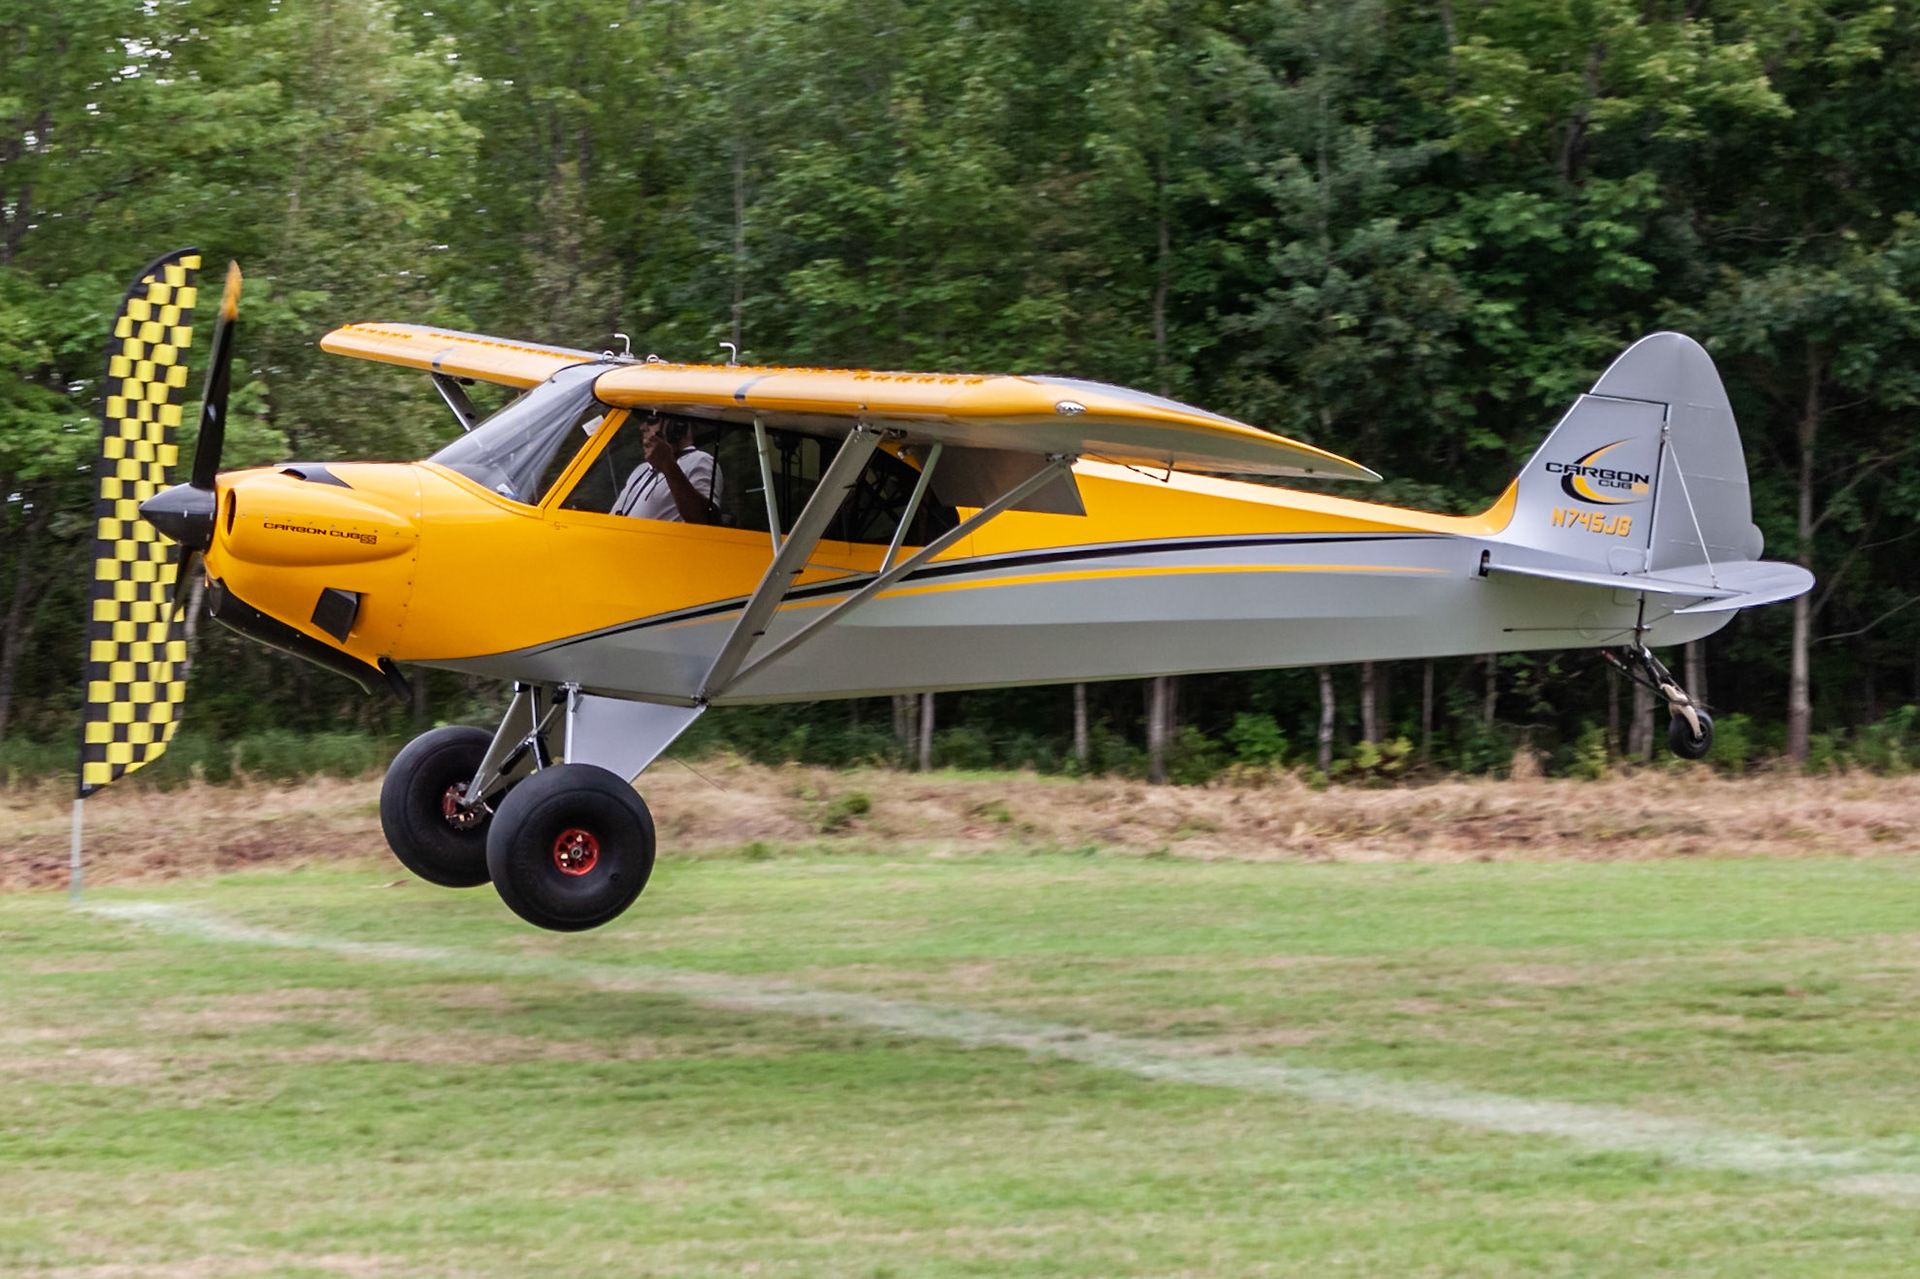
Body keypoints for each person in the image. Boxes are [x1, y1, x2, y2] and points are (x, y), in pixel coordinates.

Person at [611, 415, 723, 524]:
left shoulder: (700, 460)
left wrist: (667, 465)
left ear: (678, 427)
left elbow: (704, 520)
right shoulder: (641, 470)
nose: (642, 427)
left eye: (652, 419)